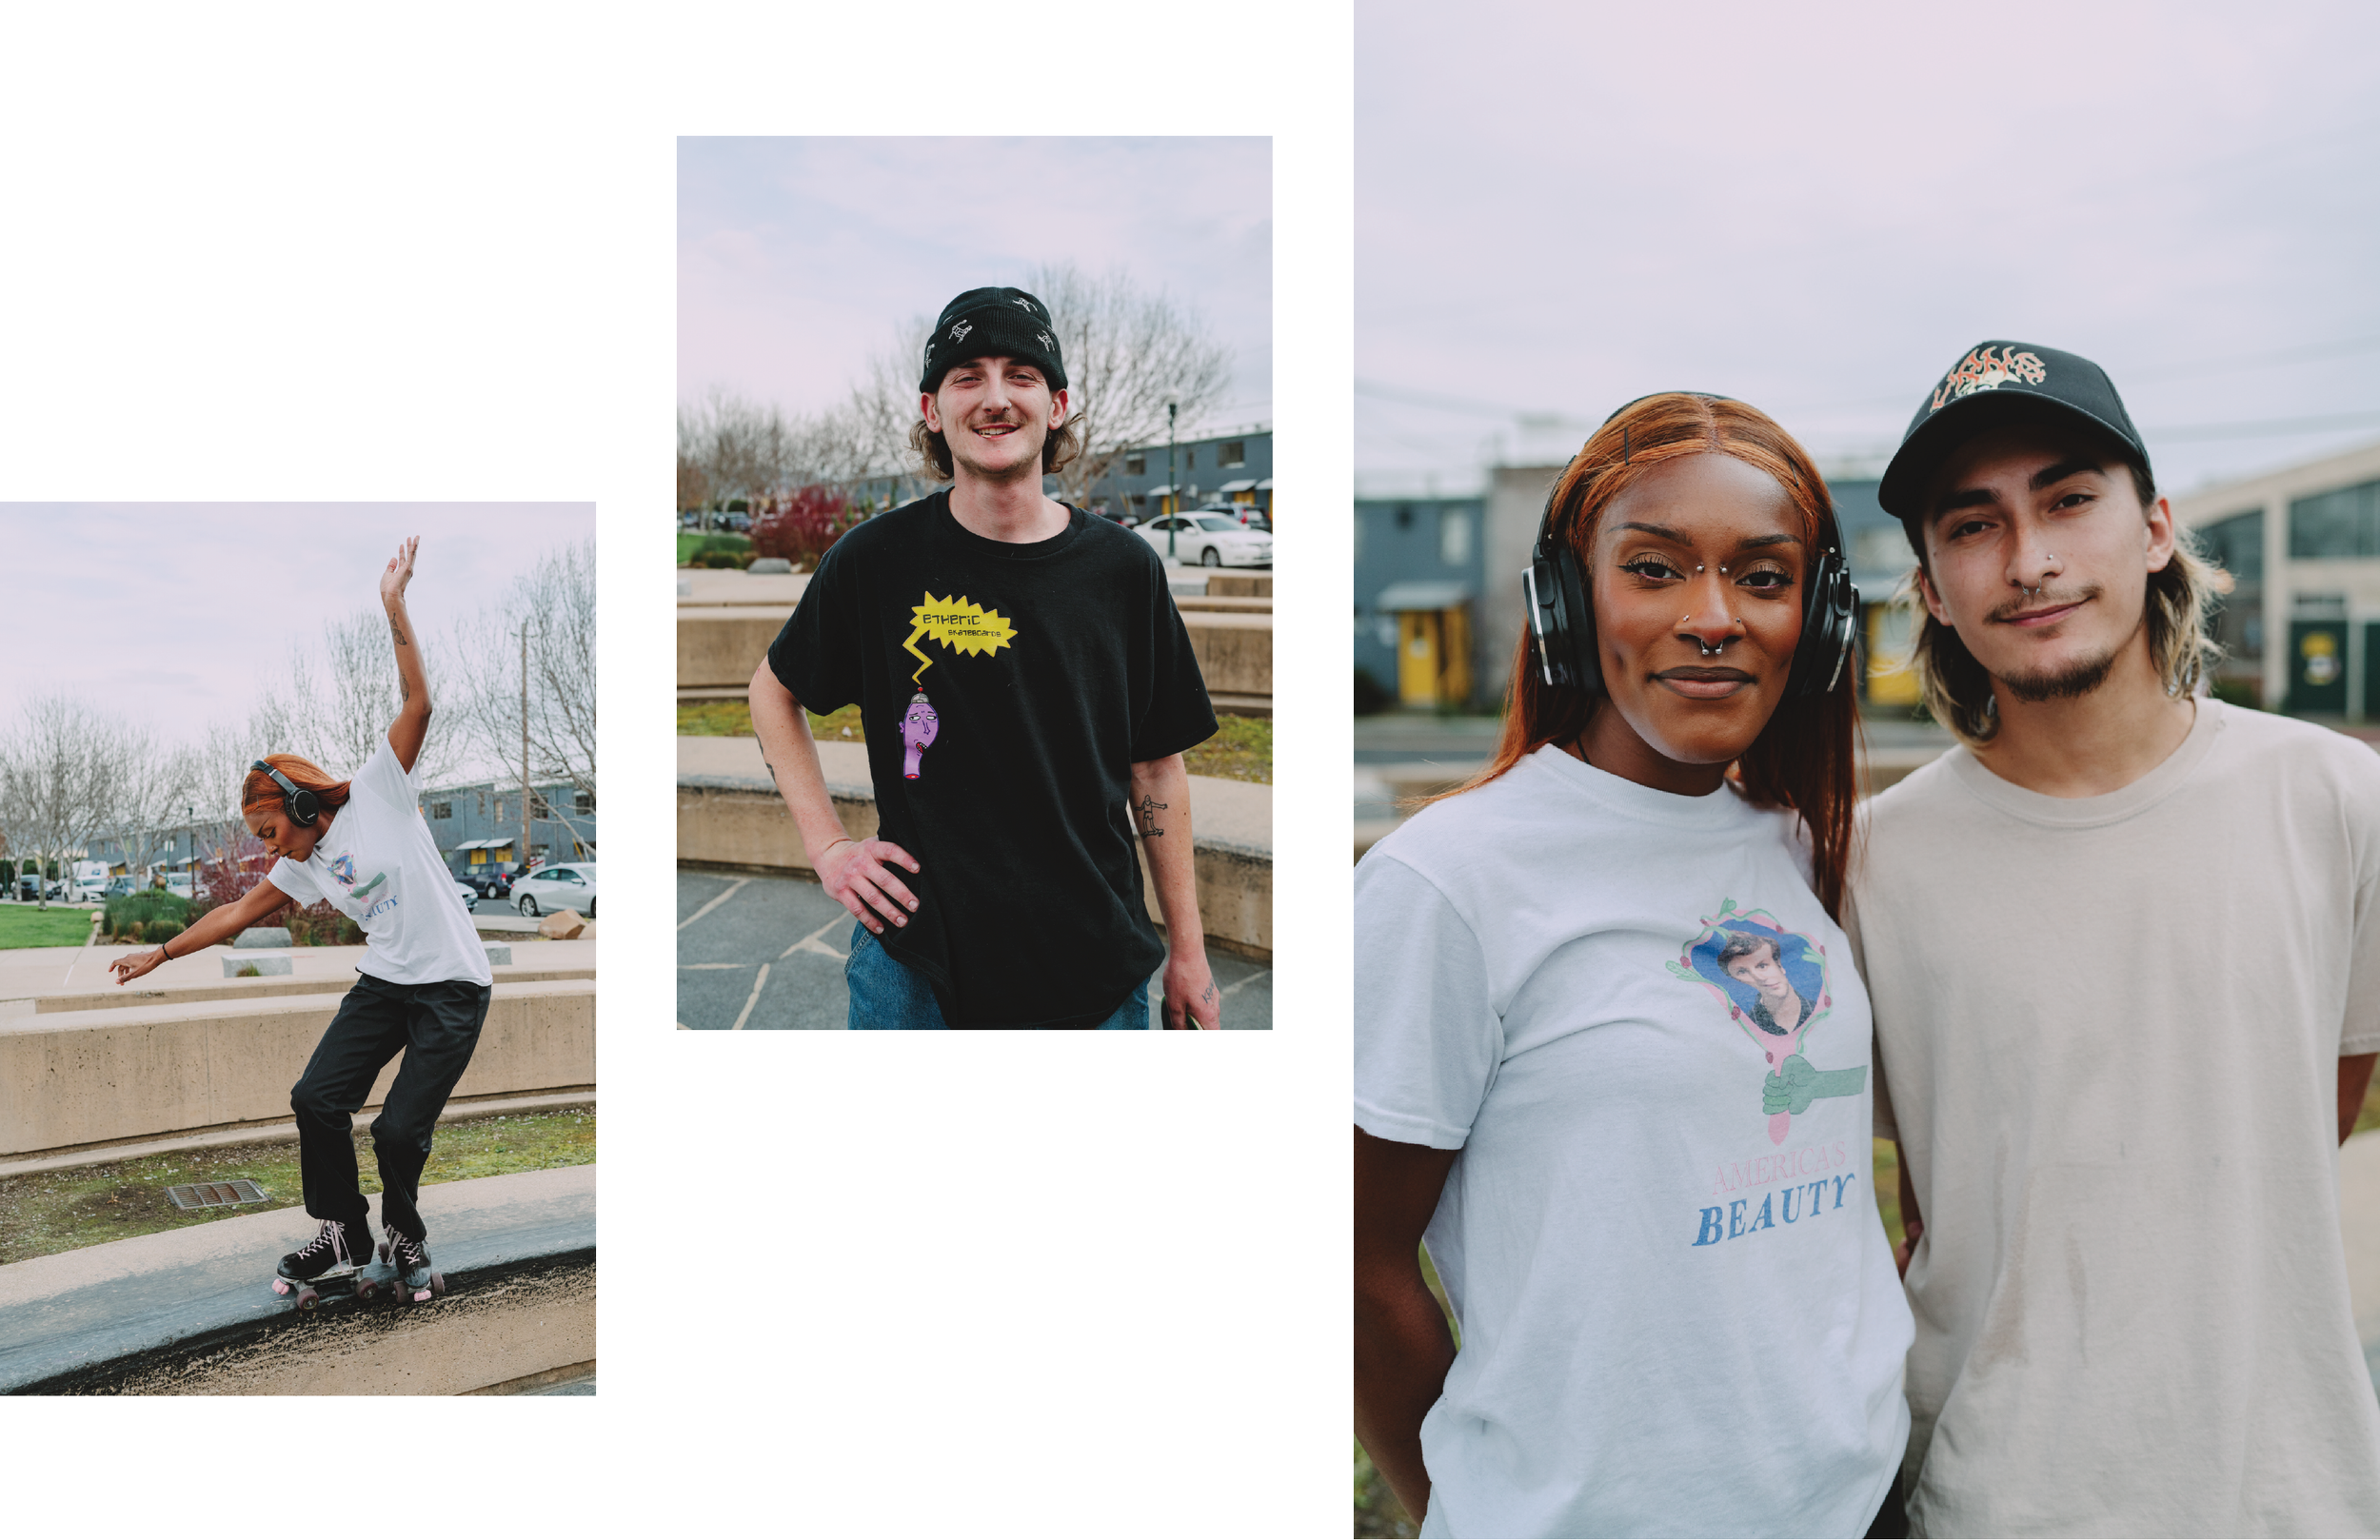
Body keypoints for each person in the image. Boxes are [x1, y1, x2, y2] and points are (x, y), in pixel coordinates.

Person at [1354, 392, 1913, 1537]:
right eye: (1654, 569)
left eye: (1762, 577)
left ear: (1821, 621)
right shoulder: (1448, 882)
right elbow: (1349, 1257)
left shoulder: (1805, 847)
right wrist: (1473, 1505)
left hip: (1854, 1508)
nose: (1714, 617)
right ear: (1565, 600)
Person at [1854, 341, 2380, 1534]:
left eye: (2069, 499)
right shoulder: (1875, 865)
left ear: (2153, 528)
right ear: (1931, 586)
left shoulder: (2333, 797)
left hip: (2290, 1486)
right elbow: (1919, 1196)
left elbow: (2316, 1104)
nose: (2031, 559)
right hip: (1992, 1495)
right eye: (1972, 524)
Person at [749, 286, 1222, 1030]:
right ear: (932, 410)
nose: (995, 398)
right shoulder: (875, 562)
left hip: (1094, 967)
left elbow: (1156, 767)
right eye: (967, 376)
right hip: (916, 968)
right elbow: (772, 692)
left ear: (1057, 404)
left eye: (1021, 375)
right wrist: (830, 847)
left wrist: (1189, 955)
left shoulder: (1124, 571)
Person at [109, 538, 492, 1300]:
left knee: (394, 1131)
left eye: (270, 830)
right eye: (262, 840)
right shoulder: (304, 864)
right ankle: (345, 1231)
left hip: (452, 985)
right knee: (316, 1098)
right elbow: (239, 910)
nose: (269, 848)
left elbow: (419, 704)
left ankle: (405, 1237)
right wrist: (162, 953)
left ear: (302, 802)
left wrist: (394, 605)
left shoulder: (381, 789)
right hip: (386, 983)